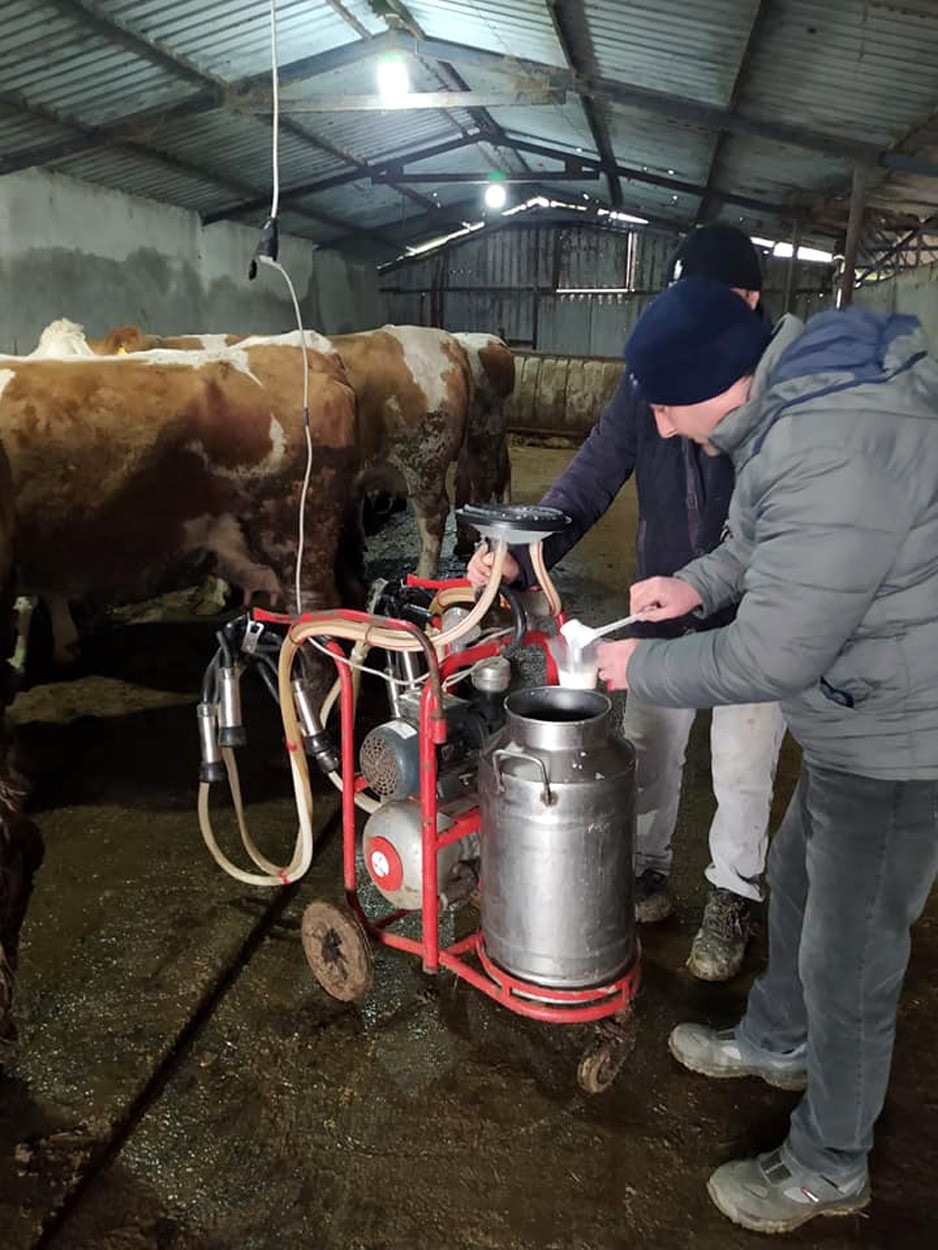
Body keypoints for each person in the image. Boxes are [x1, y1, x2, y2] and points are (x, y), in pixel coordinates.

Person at [597, 275, 938, 1233]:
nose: (660, 430)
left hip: (905, 730)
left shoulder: (827, 444)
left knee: (851, 954)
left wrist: (637, 668)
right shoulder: (795, 397)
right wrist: (690, 587)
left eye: (666, 407)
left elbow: (772, 653)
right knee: (793, 875)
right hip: (858, 706)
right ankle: (781, 1039)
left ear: (724, 383)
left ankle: (831, 1164)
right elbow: (761, 544)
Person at [467, 224, 786, 982]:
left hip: (756, 614)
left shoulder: (777, 401)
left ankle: (732, 894)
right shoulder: (650, 380)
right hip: (664, 606)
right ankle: (644, 868)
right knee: (648, 747)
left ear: (750, 304)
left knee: (743, 764)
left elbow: (776, 538)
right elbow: (591, 474)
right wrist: (523, 551)